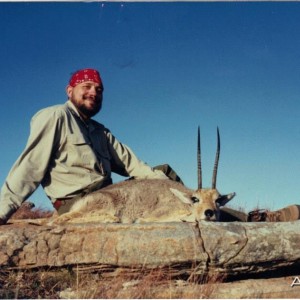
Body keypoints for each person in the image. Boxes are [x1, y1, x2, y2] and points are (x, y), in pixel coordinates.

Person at [0, 68, 183, 225]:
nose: (94, 93)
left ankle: (197, 211)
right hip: (80, 203)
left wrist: (165, 184)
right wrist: (2, 211)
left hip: (108, 195)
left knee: (164, 171)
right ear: (69, 91)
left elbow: (133, 165)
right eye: (86, 87)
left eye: (99, 89)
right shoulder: (56, 116)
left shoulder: (100, 131)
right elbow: (31, 166)